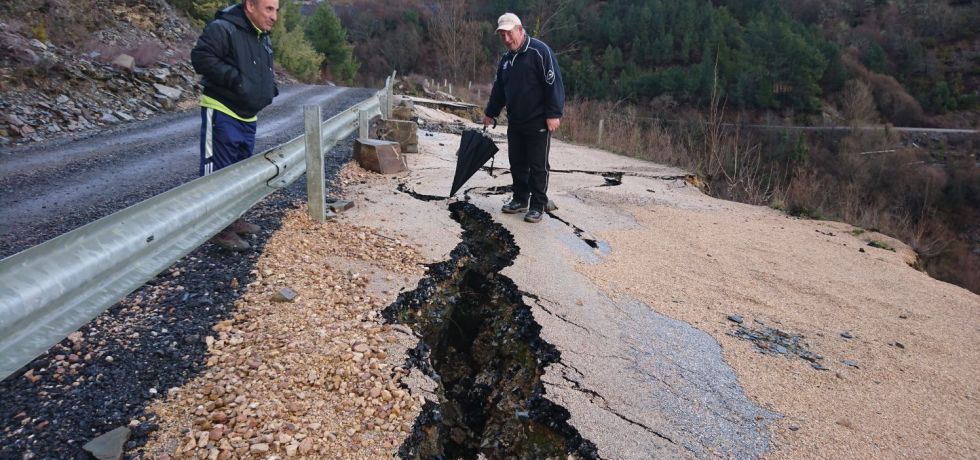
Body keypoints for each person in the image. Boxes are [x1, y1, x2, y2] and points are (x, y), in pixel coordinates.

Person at [191, 0, 280, 250]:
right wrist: (237, 81)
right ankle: (217, 228)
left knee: (239, 171)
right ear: (250, 6)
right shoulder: (223, 28)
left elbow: (262, 71)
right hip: (222, 110)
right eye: (269, 9)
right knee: (218, 171)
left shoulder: (261, 36)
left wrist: (268, 89)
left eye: (276, 10)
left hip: (247, 115)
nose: (274, 17)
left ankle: (233, 218)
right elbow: (201, 57)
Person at [483, 12, 565, 223]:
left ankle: (538, 205)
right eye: (502, 35)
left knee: (538, 165)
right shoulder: (506, 60)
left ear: (520, 29)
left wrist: (554, 113)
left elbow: (553, 83)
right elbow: (499, 89)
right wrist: (490, 112)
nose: (507, 39)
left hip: (538, 120)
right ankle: (520, 199)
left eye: (509, 34)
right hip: (516, 120)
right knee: (517, 163)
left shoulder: (540, 52)